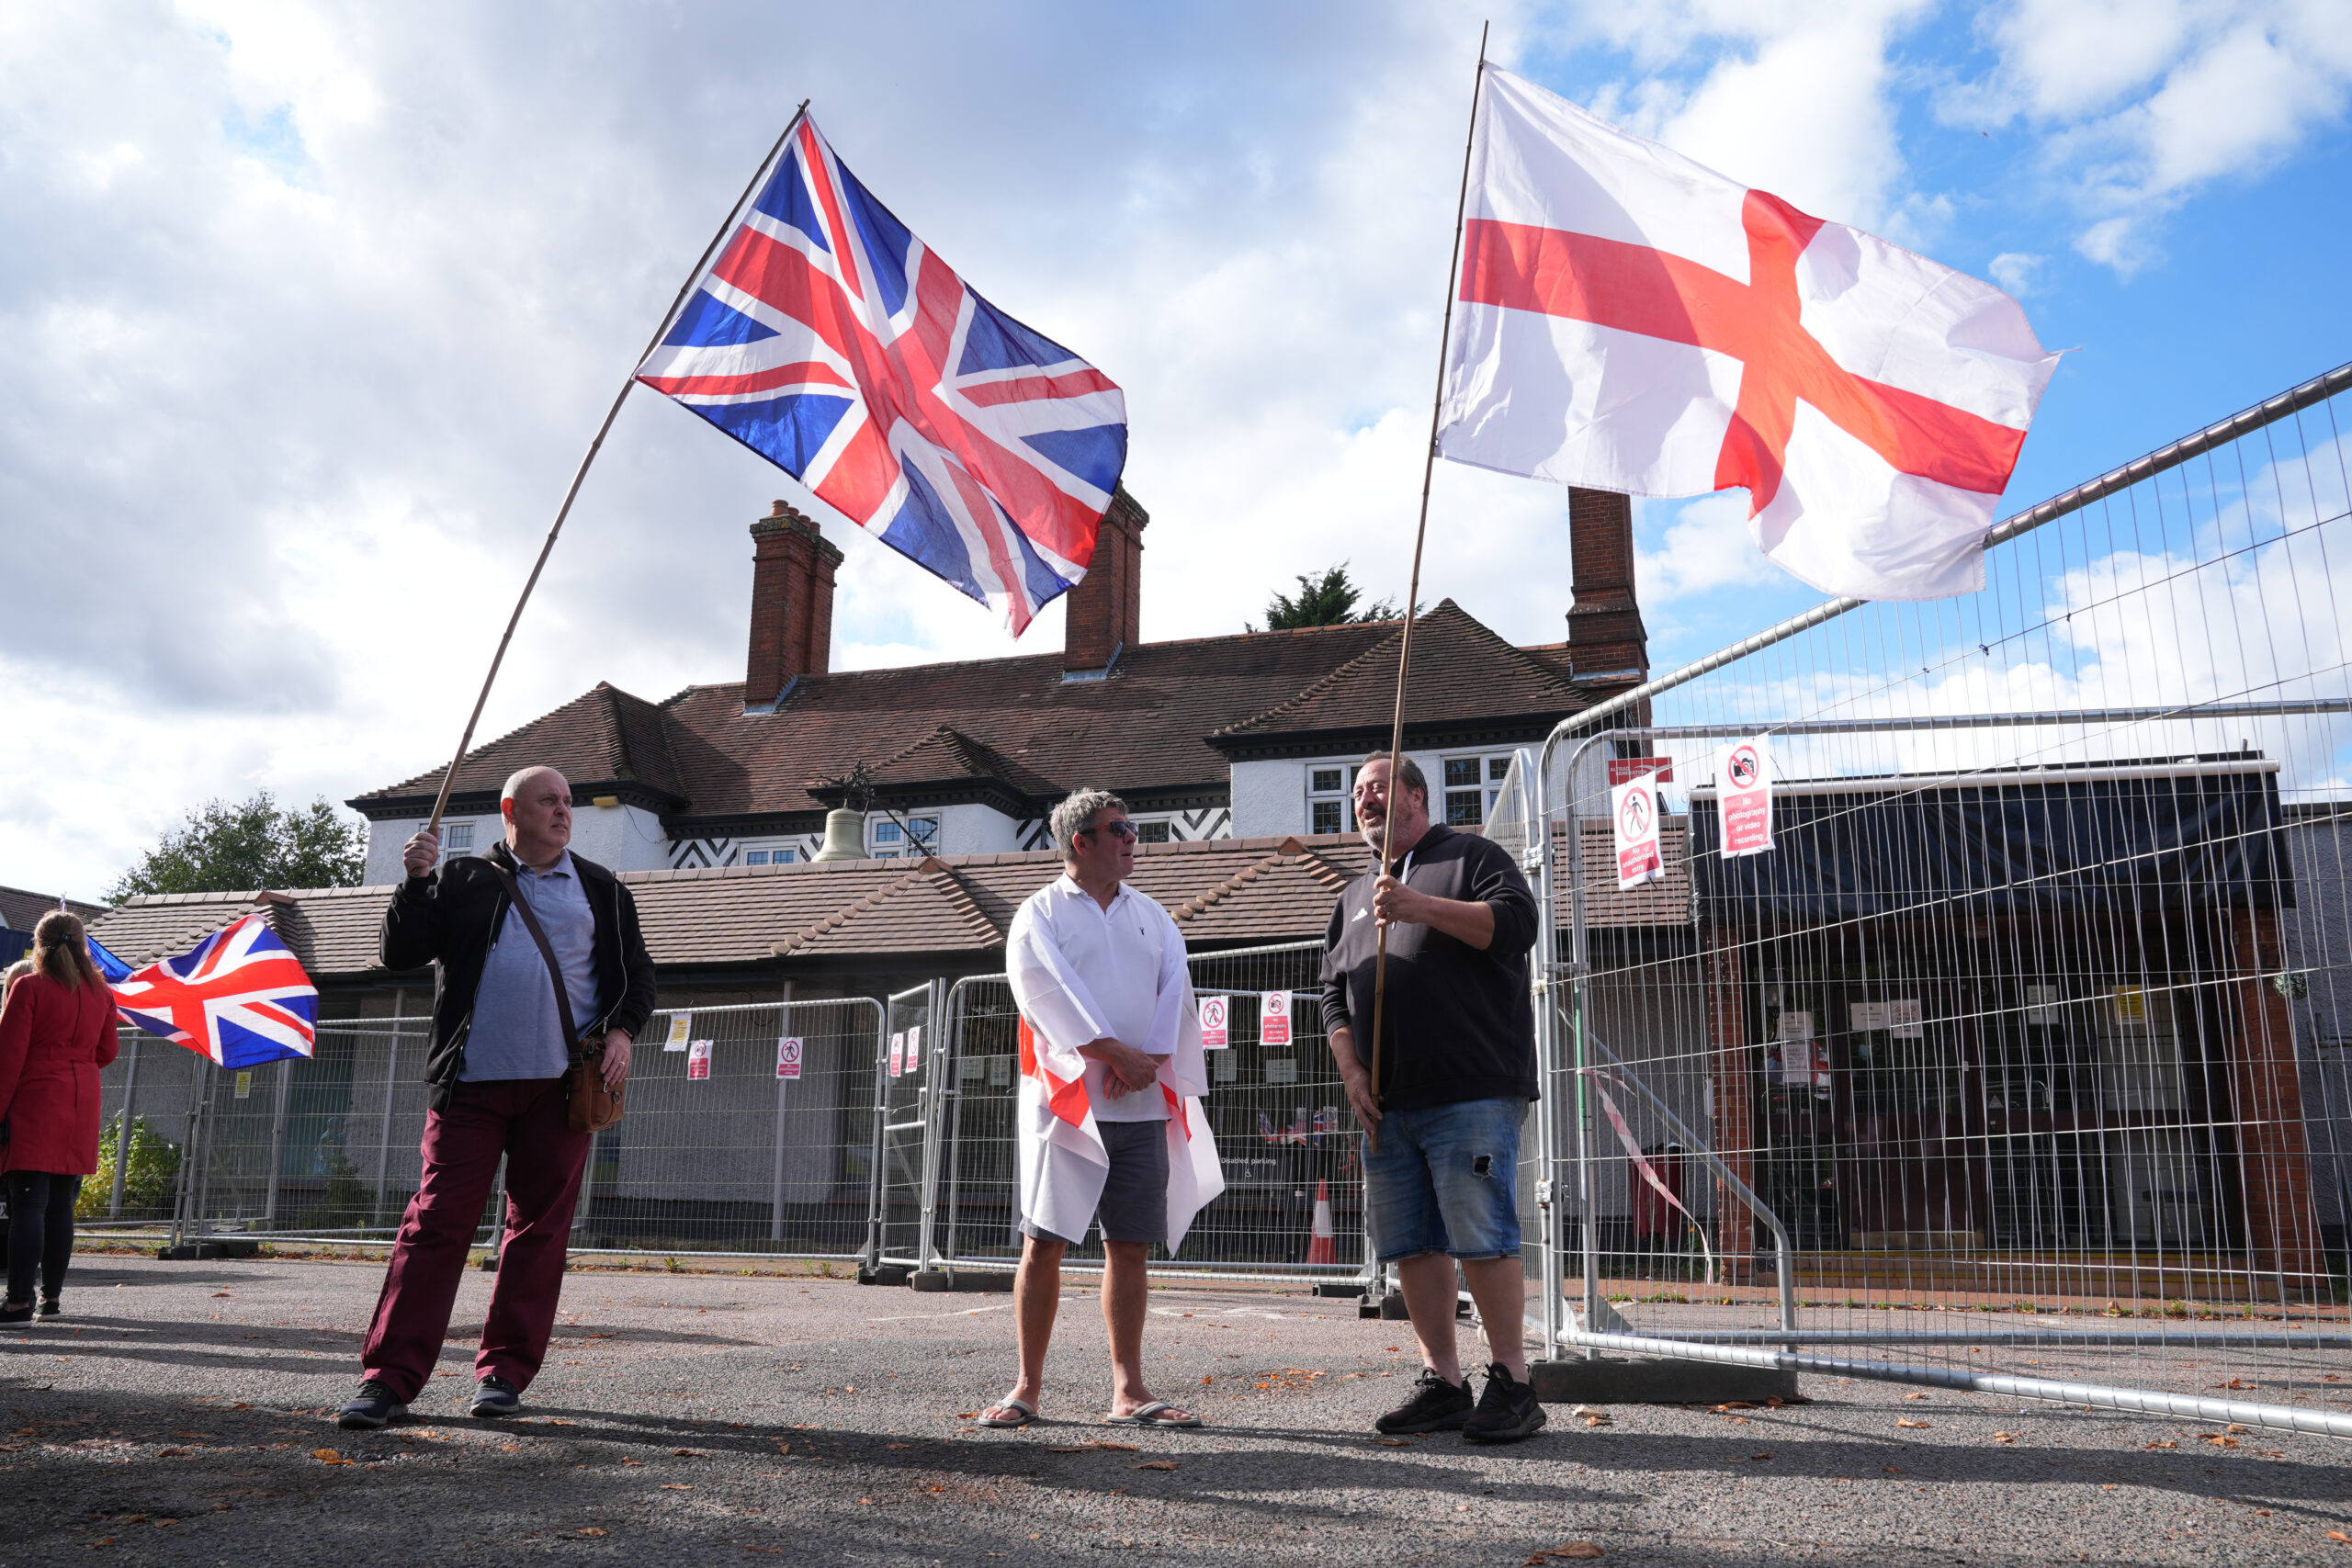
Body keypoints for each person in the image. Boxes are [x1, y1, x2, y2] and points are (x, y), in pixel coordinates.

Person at [336, 765, 656, 1428]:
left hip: (561, 1087)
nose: (564, 811)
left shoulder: (602, 888)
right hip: (471, 1083)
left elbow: (638, 976)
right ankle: (387, 1379)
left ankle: (504, 1373)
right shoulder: (461, 878)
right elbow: (400, 951)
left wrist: (623, 1029)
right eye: (549, 801)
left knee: (537, 1232)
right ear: (512, 810)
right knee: (434, 1225)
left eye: (568, 801)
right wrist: (416, 881)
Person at [1320, 753, 1546, 1442]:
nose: (1366, 799)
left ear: (1417, 794)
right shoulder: (1354, 892)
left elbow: (1516, 926)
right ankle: (1444, 1381)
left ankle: (1514, 1381)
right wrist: (1354, 1073)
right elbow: (1333, 994)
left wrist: (1420, 906)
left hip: (1470, 1085)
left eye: (1380, 787)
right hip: (1388, 1100)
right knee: (1411, 1243)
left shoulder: (1472, 855)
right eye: (1357, 792)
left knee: (1480, 1234)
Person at [979, 788, 1221, 1429]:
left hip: (1137, 1102)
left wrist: (1146, 1057)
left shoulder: (1154, 915)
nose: (1132, 838)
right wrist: (1113, 1051)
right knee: (1044, 1243)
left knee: (1131, 1245)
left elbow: (1178, 986)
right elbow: (1041, 988)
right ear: (1079, 841)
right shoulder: (1040, 913)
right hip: (1068, 1103)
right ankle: (1027, 1387)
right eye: (1119, 829)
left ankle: (1130, 1390)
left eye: (1133, 827)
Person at [0, 912, 121, 1324]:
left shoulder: (29, 987)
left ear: (39, 943)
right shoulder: (102, 993)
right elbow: (107, 1053)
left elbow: (8, 1057)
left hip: (35, 1096)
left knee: (29, 1204)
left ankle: (18, 1301)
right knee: (61, 1208)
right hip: (81, 1097)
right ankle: (51, 1300)